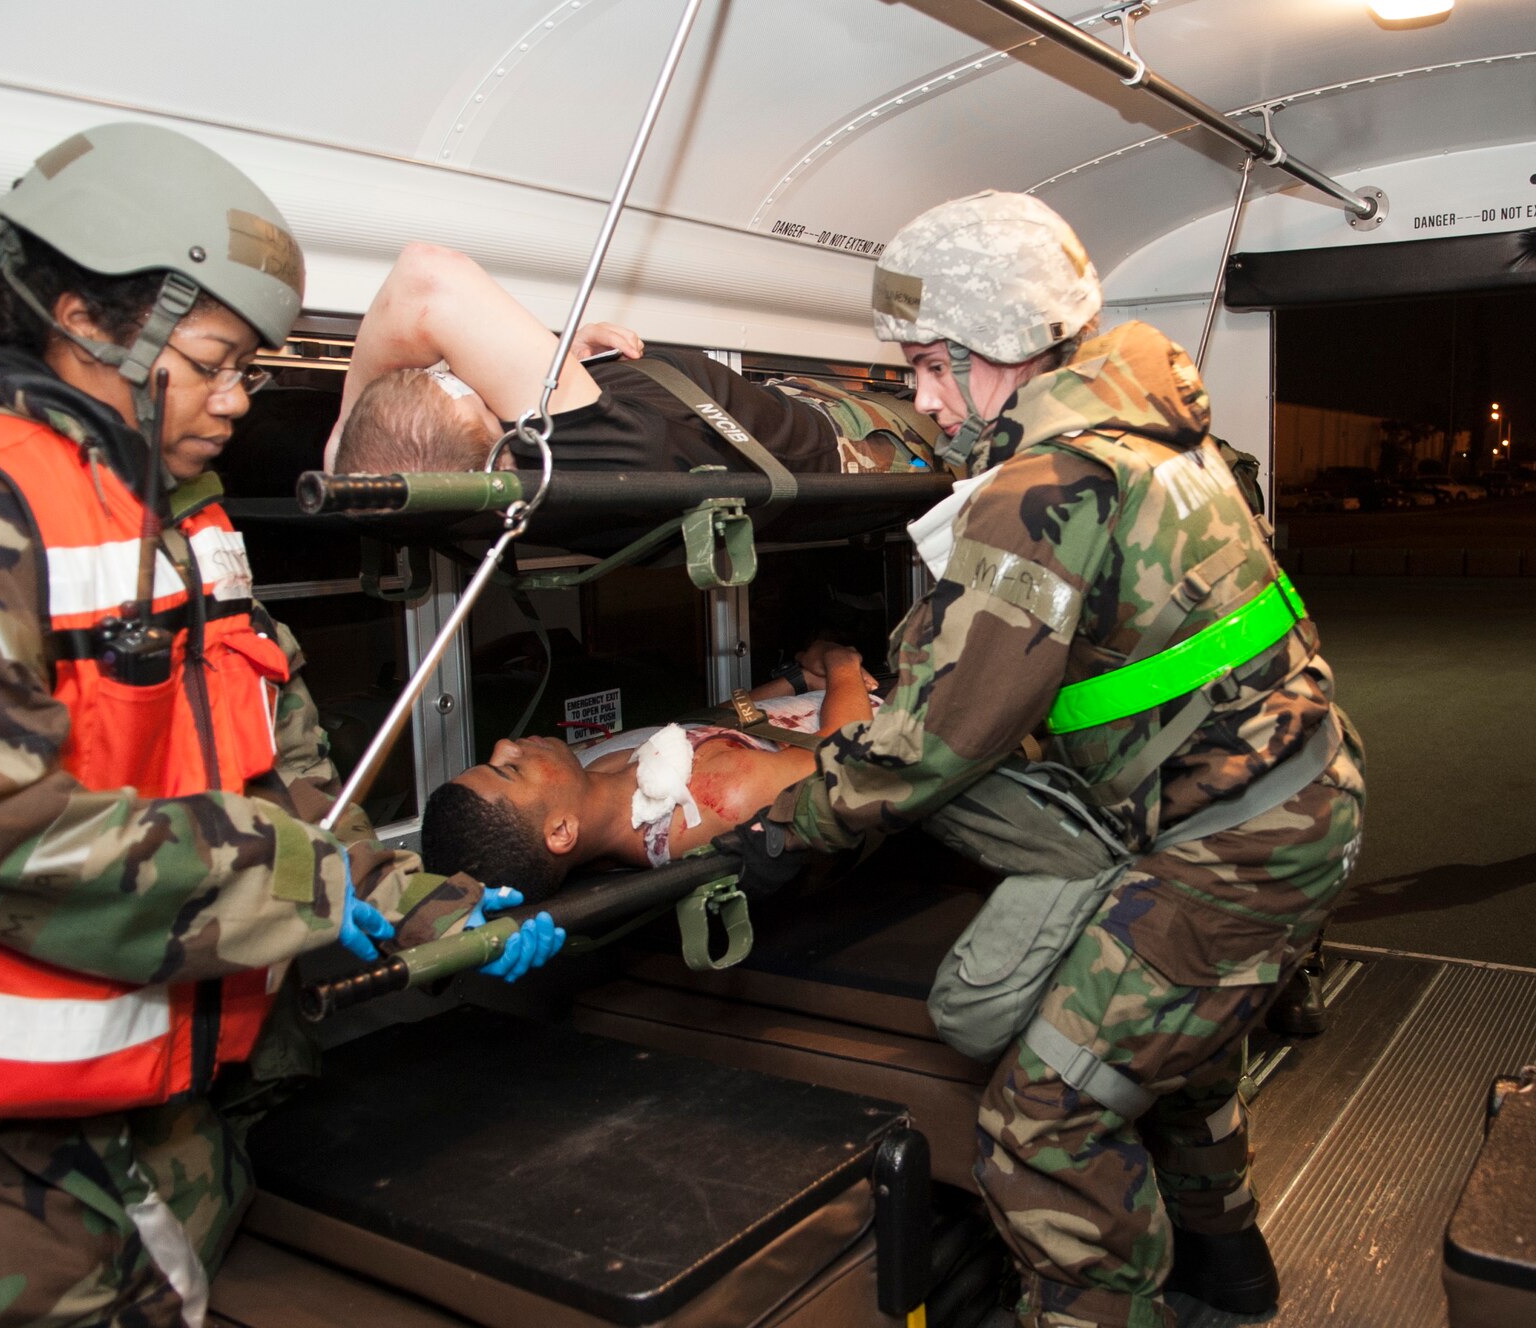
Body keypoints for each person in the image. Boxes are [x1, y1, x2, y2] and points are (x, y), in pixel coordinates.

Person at [0, 123, 561, 1326]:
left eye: (252, 366)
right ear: (91, 321)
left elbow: (282, 774)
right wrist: (295, 888)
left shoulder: (180, 521)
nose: (238, 398)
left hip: (164, 1111)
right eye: (213, 361)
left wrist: (412, 897)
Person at [727, 192, 1365, 1328]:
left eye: (930, 365)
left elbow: (941, 732)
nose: (919, 396)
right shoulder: (1157, 427)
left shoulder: (1042, 489)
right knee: (1181, 1043)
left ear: (1006, 349)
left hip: (1237, 841)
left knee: (1044, 1121)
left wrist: (791, 825)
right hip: (1290, 797)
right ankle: (1227, 1266)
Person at [326, 242, 944, 476]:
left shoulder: (566, 430)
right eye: (463, 388)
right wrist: (341, 433)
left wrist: (563, 355)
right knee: (945, 412)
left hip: (792, 393)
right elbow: (426, 277)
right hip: (848, 434)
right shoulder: (574, 434)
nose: (471, 377)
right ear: (497, 448)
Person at [422, 644, 875, 893]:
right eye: (508, 771)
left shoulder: (598, 774)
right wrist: (841, 662)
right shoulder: (719, 797)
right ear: (562, 832)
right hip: (880, 709)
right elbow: (849, 759)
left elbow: (700, 728)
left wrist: (795, 679)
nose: (504, 745)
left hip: (821, 694)